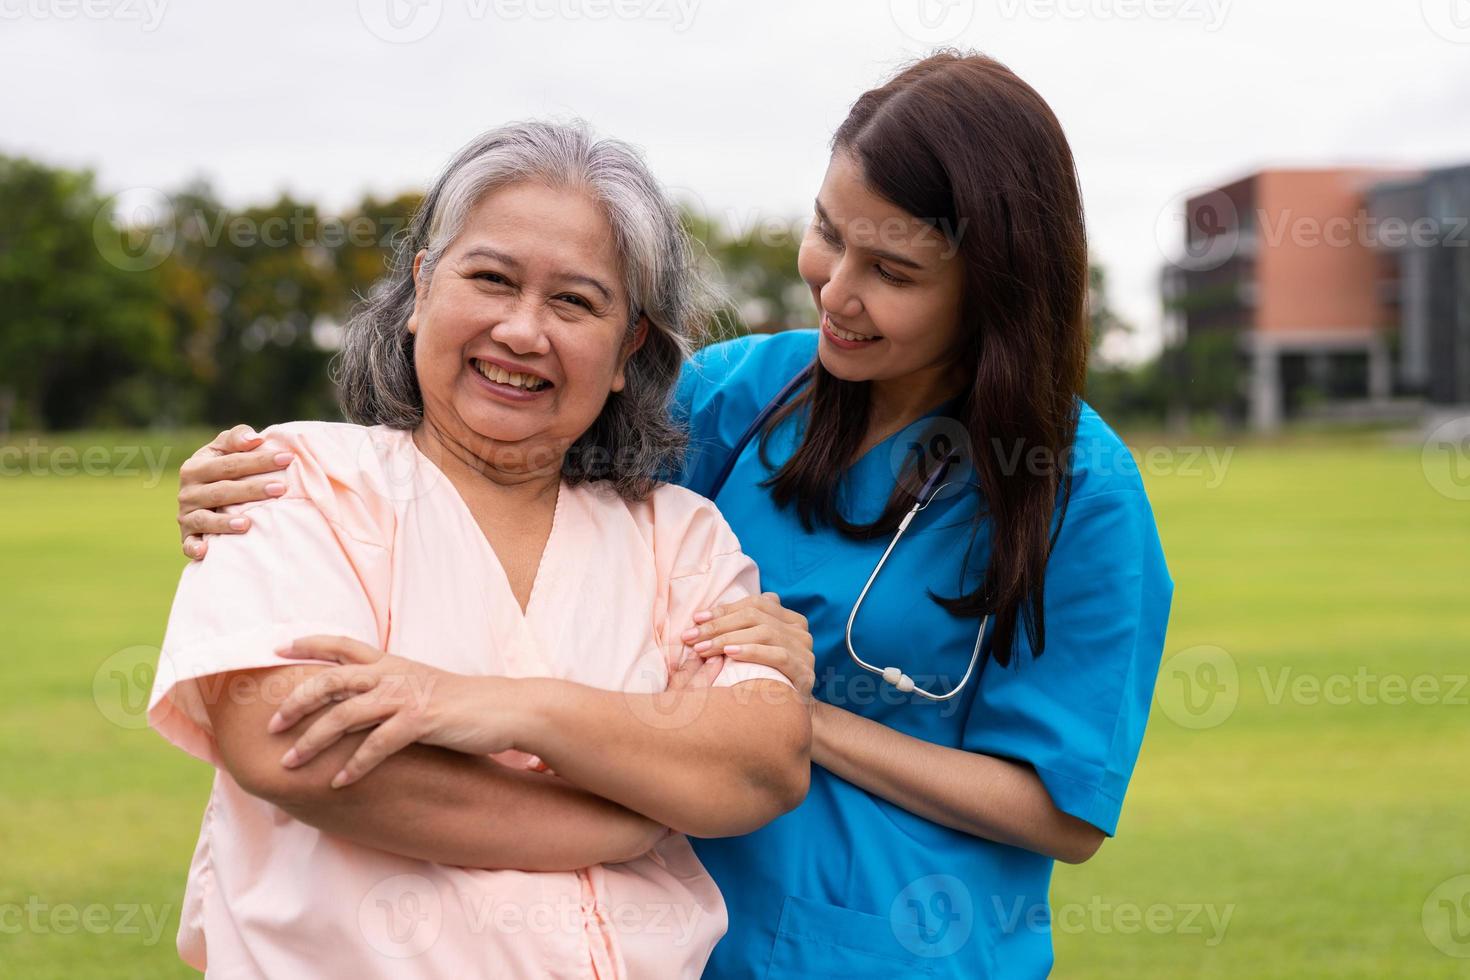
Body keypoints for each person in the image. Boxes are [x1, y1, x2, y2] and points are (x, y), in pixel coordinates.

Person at [176, 52, 1173, 978]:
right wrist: (266, 489)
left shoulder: (1076, 486)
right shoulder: (739, 398)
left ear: (991, 290)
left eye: (896, 273)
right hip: (693, 947)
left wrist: (799, 715)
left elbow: (1062, 810)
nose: (838, 289)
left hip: (905, 946)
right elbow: (525, 456)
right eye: (829, 231)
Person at [148, 119, 810, 980]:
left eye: (575, 301)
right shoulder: (297, 483)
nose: (523, 331)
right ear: (423, 287)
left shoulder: (677, 536)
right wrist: (627, 812)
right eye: (490, 279)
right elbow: (290, 746)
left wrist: (498, 707)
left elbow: (758, 764)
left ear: (628, 350)